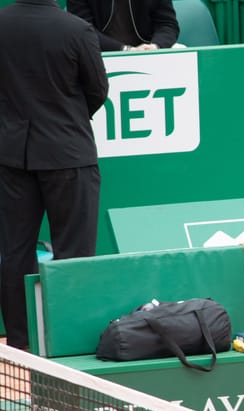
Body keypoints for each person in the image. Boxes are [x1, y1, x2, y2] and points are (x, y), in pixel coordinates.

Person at [0, 0, 109, 350]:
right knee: (74, 253)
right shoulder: (76, 29)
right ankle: (68, 341)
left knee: (14, 251)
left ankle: (21, 343)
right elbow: (97, 90)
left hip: (11, 154)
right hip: (67, 153)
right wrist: (65, 121)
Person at [67, 0, 179, 52]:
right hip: (100, 53)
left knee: (180, 50)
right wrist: (124, 49)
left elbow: (168, 24)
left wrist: (156, 46)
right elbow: (82, 31)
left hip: (147, 50)